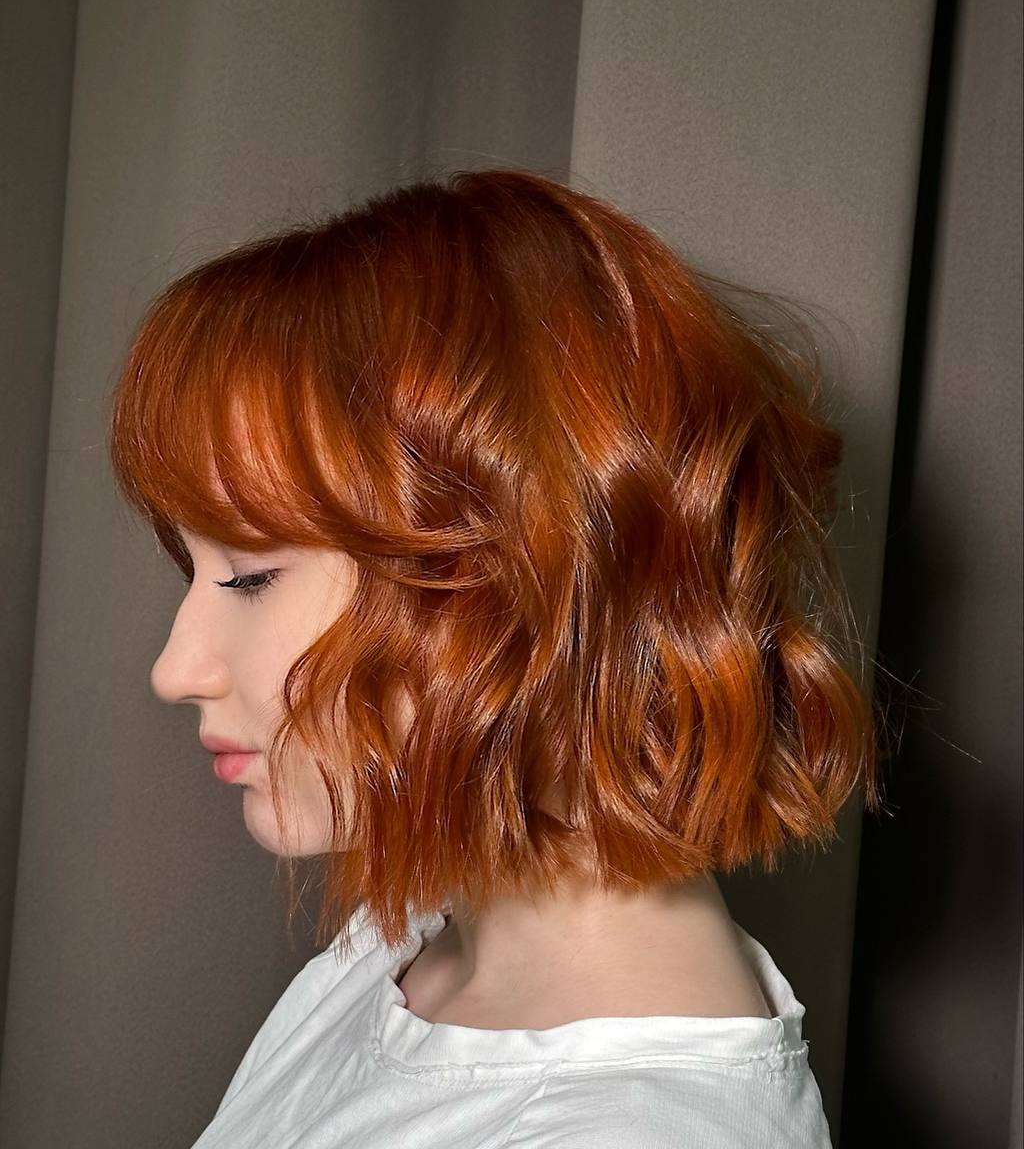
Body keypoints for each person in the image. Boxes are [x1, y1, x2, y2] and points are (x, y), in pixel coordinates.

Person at [107, 166, 884, 1147]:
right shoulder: (409, 945)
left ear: (533, 576)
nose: (177, 669)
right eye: (198, 567)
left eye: (253, 575)